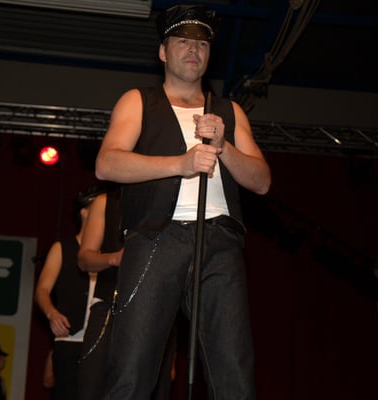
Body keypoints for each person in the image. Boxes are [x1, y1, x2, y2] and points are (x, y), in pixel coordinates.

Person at [95, 4, 271, 400]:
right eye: (182, 42)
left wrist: (223, 147)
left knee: (234, 374)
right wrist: (181, 164)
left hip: (220, 243)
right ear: (163, 52)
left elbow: (261, 182)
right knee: (132, 370)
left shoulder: (228, 111)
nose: (193, 49)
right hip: (155, 239)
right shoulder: (139, 101)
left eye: (202, 44)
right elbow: (106, 164)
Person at [76, 183, 176, 400]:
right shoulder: (105, 202)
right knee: (92, 383)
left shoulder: (169, 197)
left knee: (152, 386)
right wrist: (114, 258)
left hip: (156, 307)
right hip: (108, 305)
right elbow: (84, 259)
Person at [34, 186, 102, 399]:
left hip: (101, 342)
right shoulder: (62, 248)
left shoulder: (109, 253)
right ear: (85, 212)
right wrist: (52, 313)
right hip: (70, 341)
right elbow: (42, 289)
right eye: (98, 208)